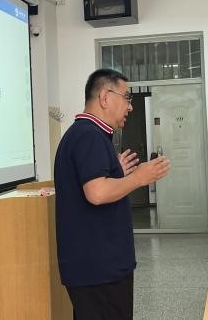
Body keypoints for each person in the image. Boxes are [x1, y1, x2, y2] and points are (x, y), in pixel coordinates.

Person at [54, 68, 171, 320]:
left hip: (93, 265)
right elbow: (96, 193)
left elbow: (95, 183)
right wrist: (139, 177)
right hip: (99, 268)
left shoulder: (85, 134)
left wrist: (117, 173)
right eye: (127, 98)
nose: (130, 107)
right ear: (105, 97)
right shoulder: (90, 136)